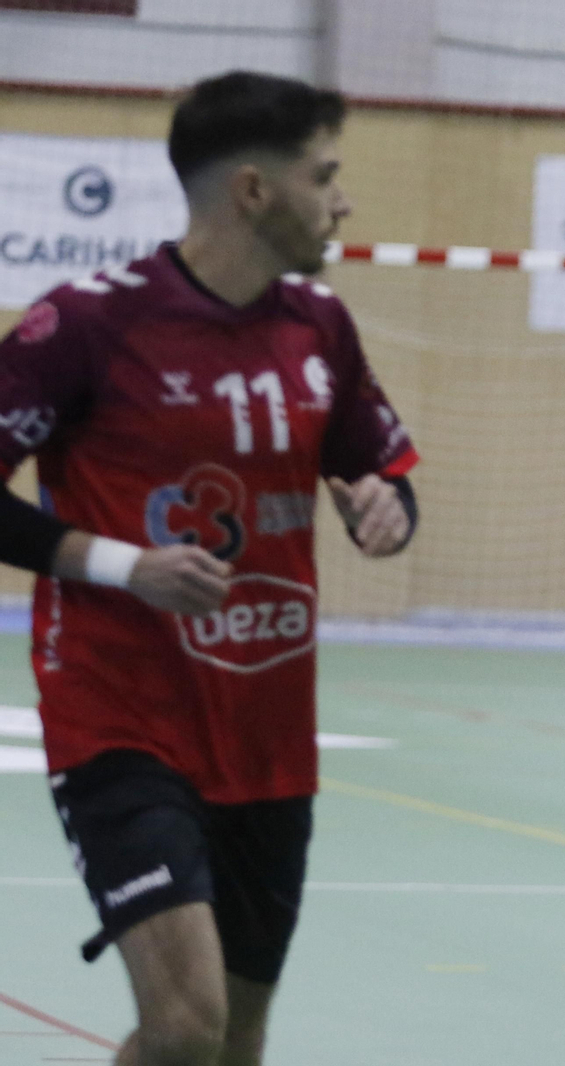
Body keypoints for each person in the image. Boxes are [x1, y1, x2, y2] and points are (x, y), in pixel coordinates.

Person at [0, 71, 419, 1065]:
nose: (343, 201)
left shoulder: (320, 325)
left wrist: (386, 510)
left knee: (235, 1038)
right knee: (186, 1024)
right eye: (325, 176)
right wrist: (120, 564)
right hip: (121, 720)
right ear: (253, 190)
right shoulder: (89, 325)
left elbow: (381, 472)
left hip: (268, 729)